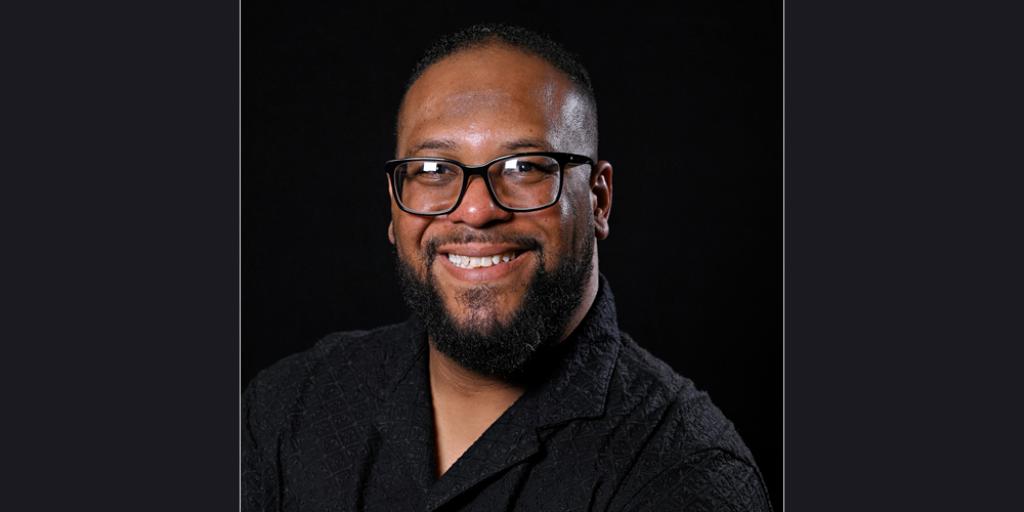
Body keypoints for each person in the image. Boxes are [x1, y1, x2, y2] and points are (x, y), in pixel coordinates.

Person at [242, 23, 772, 511]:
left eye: (524, 167)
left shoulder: (683, 476)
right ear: (394, 206)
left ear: (599, 199)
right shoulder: (290, 407)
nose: (476, 210)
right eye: (434, 169)